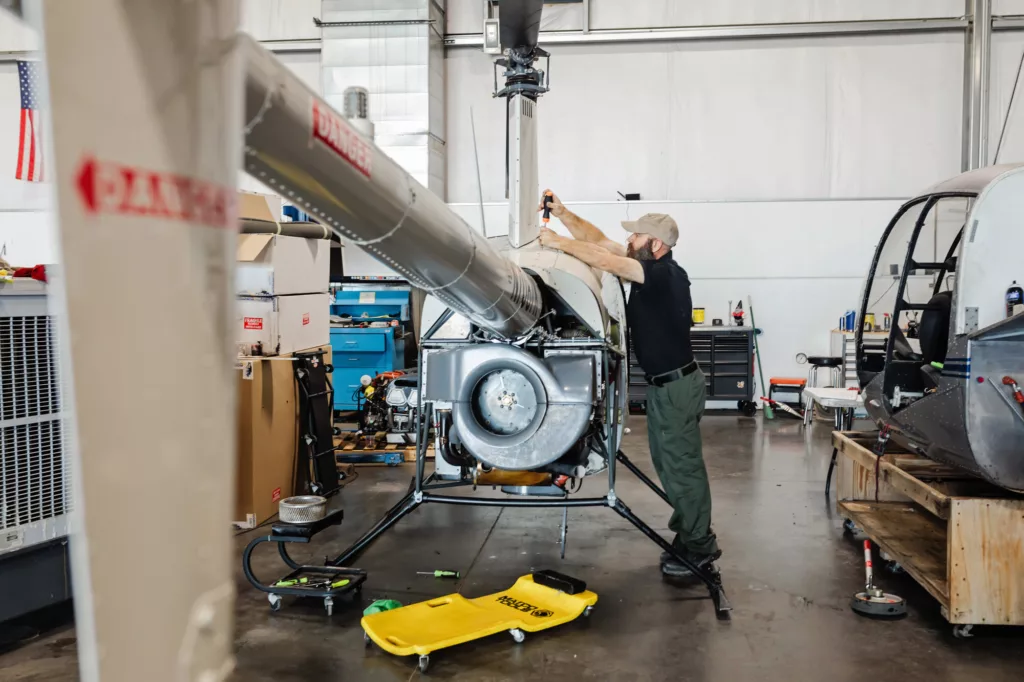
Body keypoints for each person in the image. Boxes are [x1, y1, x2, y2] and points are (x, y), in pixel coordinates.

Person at [537, 190, 721, 577]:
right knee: (668, 464)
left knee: (681, 467)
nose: (628, 241)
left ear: (655, 244)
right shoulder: (645, 268)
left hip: (676, 388)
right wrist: (564, 213)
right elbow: (599, 241)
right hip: (664, 386)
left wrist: (555, 243)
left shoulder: (662, 274)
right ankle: (688, 533)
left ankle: (701, 546)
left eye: (635, 237)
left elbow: (603, 258)